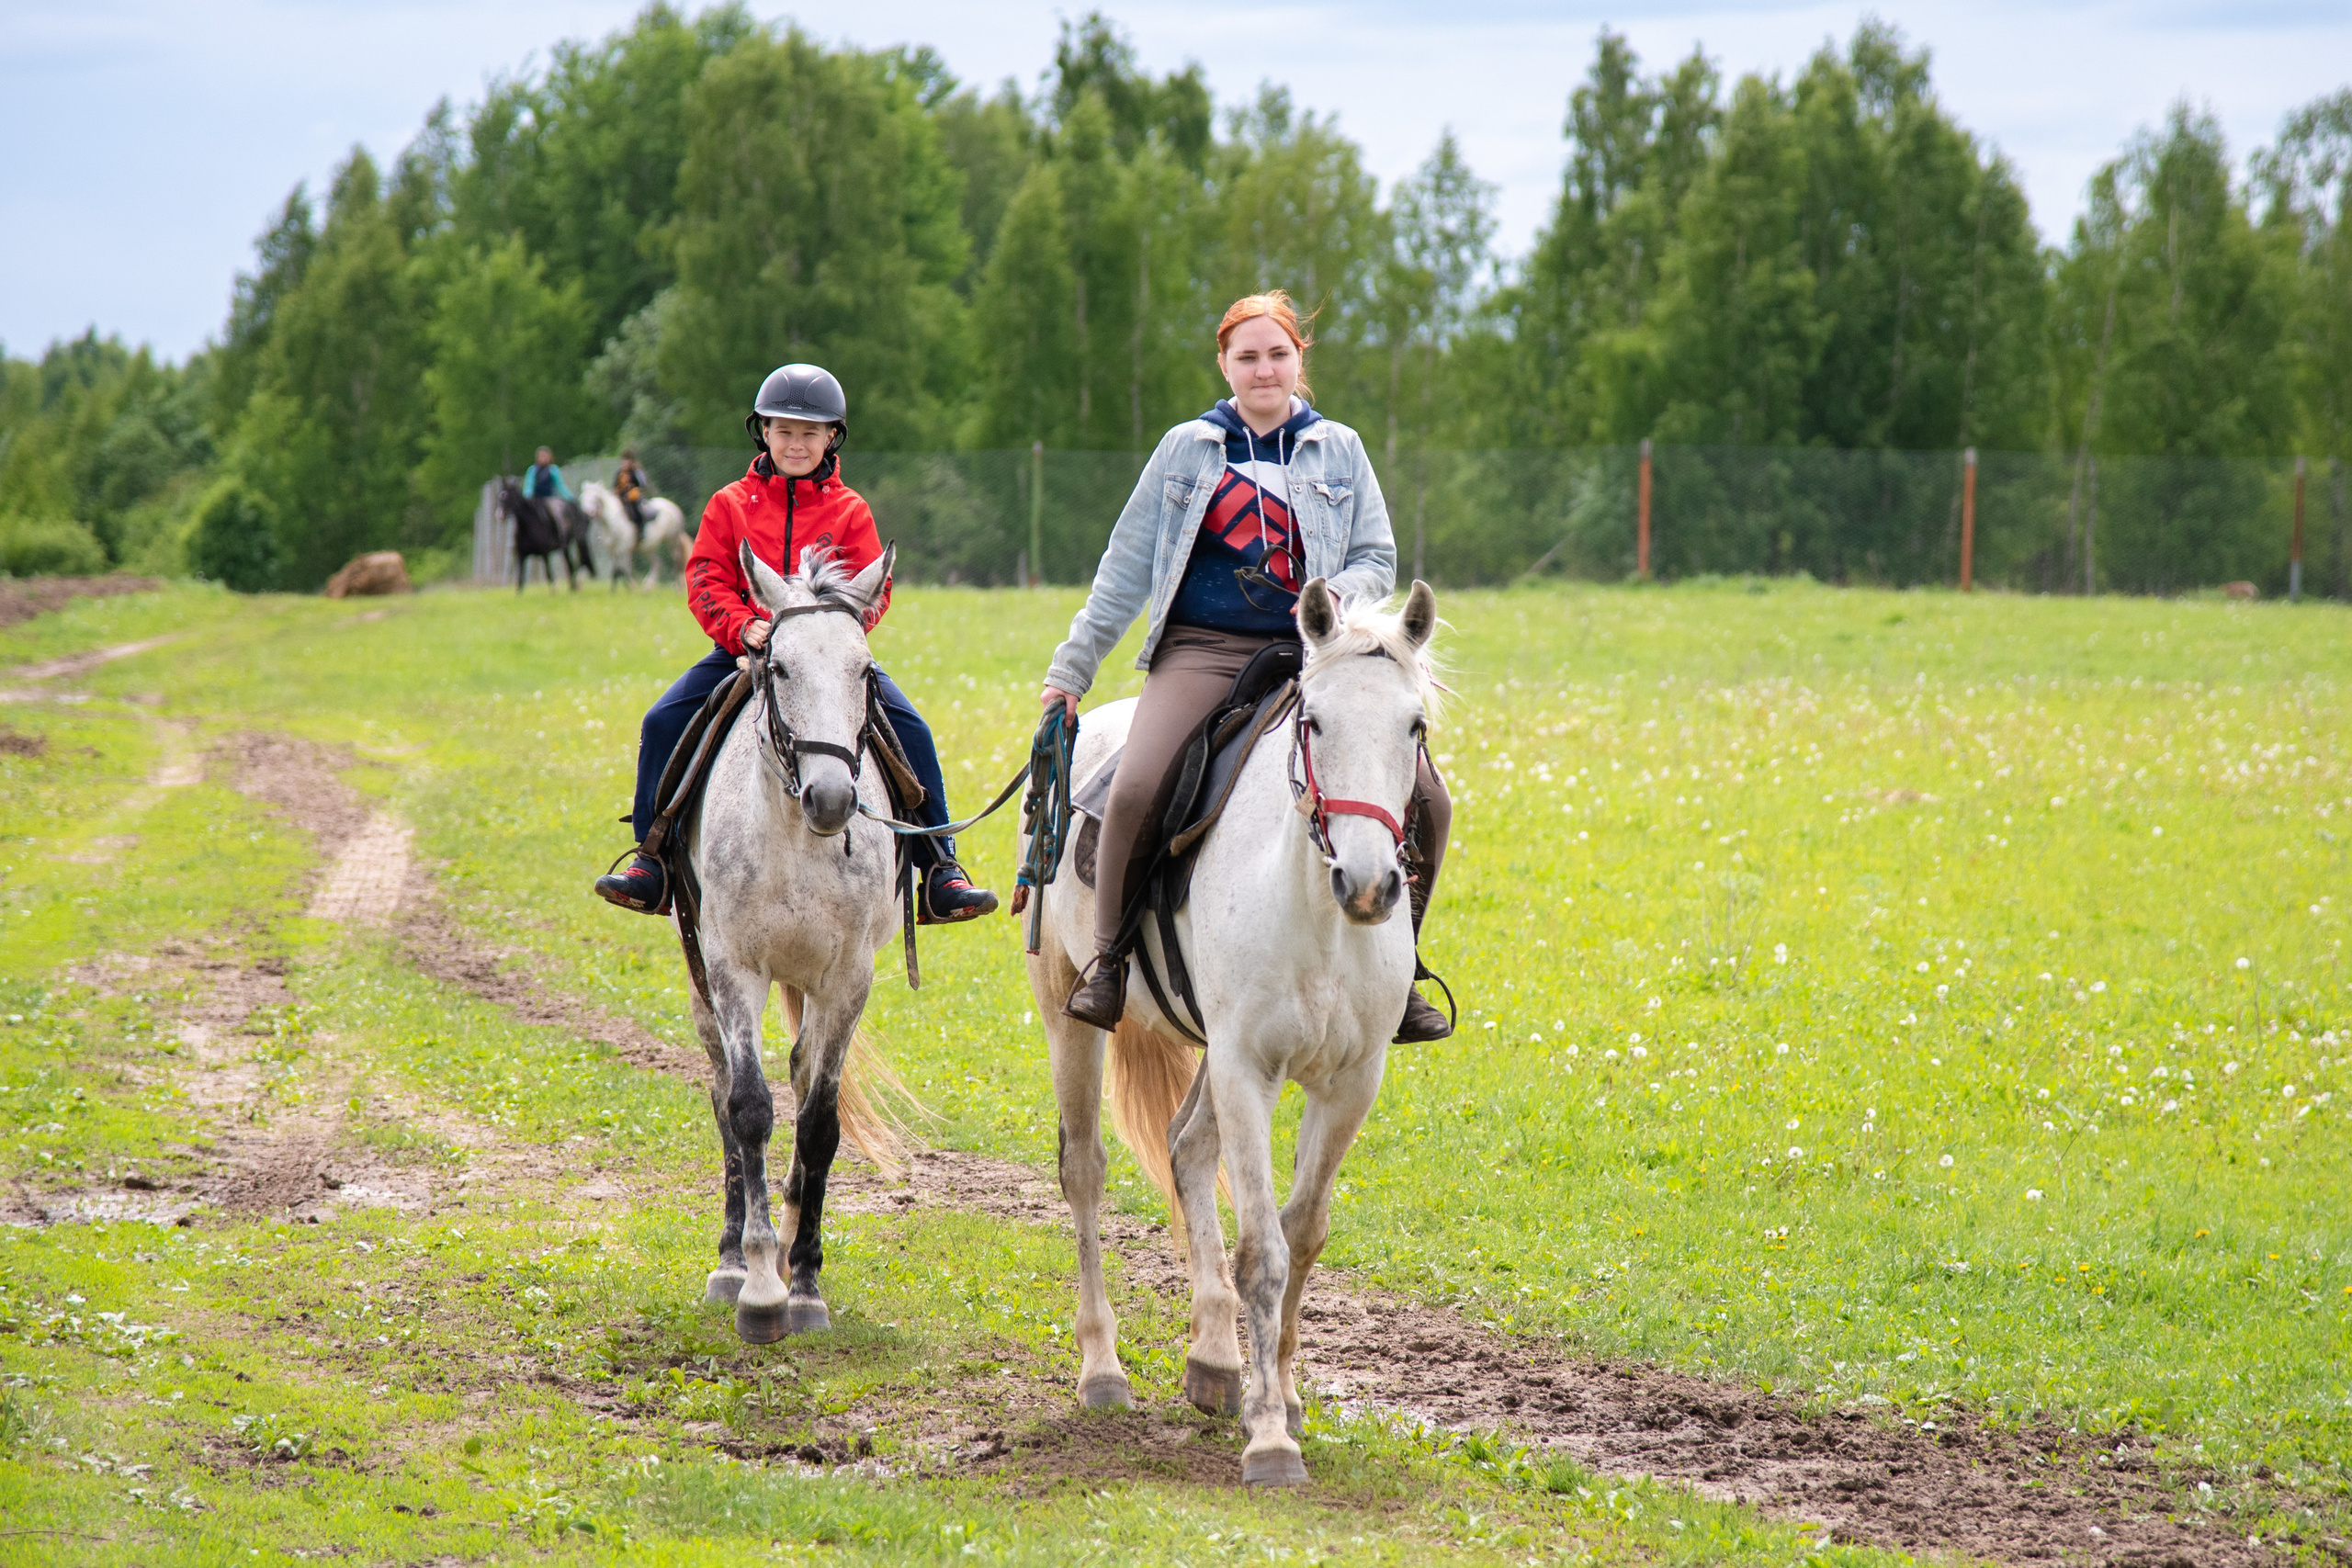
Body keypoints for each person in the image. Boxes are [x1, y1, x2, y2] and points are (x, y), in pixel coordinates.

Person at [1039, 291, 1453, 1043]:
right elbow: (1125, 569)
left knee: (1430, 796)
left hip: (1314, 654)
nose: (1264, 370)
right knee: (1132, 787)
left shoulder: (1341, 448)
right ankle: (1108, 961)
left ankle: (1403, 964)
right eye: (1248, 356)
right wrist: (1072, 671)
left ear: (1300, 361)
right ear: (1224, 364)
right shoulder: (1186, 448)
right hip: (1201, 648)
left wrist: (1327, 604)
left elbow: (1377, 557)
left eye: (1279, 355)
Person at [594, 363, 998, 924]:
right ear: (762, 432)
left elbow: (873, 590)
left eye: (810, 432)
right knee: (662, 721)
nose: (796, 443)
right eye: (784, 430)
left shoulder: (851, 510)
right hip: (746, 650)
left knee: (912, 731)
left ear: (833, 436)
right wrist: (743, 628)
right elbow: (706, 577)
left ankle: (939, 869)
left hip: (828, 660)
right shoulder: (729, 504)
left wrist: (830, 633)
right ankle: (652, 860)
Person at [614, 446, 650, 530]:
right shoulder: (619, 473)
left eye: (627, 461)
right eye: (623, 461)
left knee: (636, 510)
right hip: (620, 496)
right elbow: (615, 486)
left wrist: (631, 491)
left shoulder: (635, 472)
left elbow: (641, 485)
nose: (624, 463)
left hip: (632, 496)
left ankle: (640, 528)